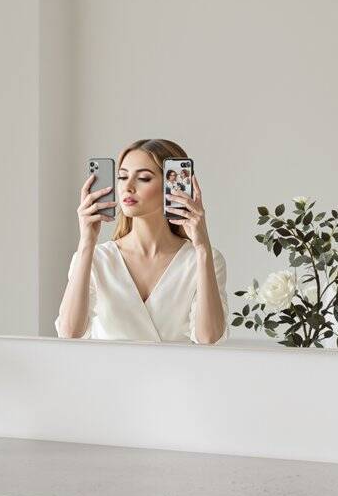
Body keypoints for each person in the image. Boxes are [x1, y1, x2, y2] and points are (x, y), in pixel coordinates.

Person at [55, 139, 230, 344]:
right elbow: (69, 334)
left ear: (172, 186)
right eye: (122, 177)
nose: (127, 187)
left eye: (144, 178)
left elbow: (209, 338)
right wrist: (86, 242)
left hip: (177, 367)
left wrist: (202, 248)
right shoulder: (96, 258)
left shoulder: (204, 259)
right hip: (104, 366)